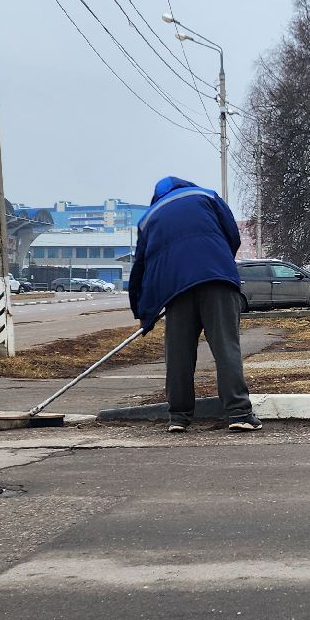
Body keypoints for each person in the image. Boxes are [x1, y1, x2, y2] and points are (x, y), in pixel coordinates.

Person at [128, 176, 258, 433]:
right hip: (217, 280)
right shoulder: (207, 196)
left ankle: (178, 417)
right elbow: (232, 235)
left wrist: (144, 313)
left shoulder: (148, 217)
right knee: (226, 349)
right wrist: (218, 262)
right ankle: (239, 413)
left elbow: (140, 268)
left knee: (178, 354)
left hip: (176, 289)